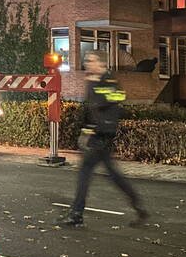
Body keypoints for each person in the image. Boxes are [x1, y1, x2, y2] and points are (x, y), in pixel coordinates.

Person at [58, 51, 148, 228]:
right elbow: (89, 110)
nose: (87, 64)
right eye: (87, 61)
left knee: (85, 174)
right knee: (114, 176)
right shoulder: (93, 81)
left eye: (91, 61)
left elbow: (118, 97)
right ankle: (139, 207)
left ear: (102, 63)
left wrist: (99, 94)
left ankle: (77, 214)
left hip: (103, 135)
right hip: (96, 135)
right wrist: (85, 130)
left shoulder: (108, 80)